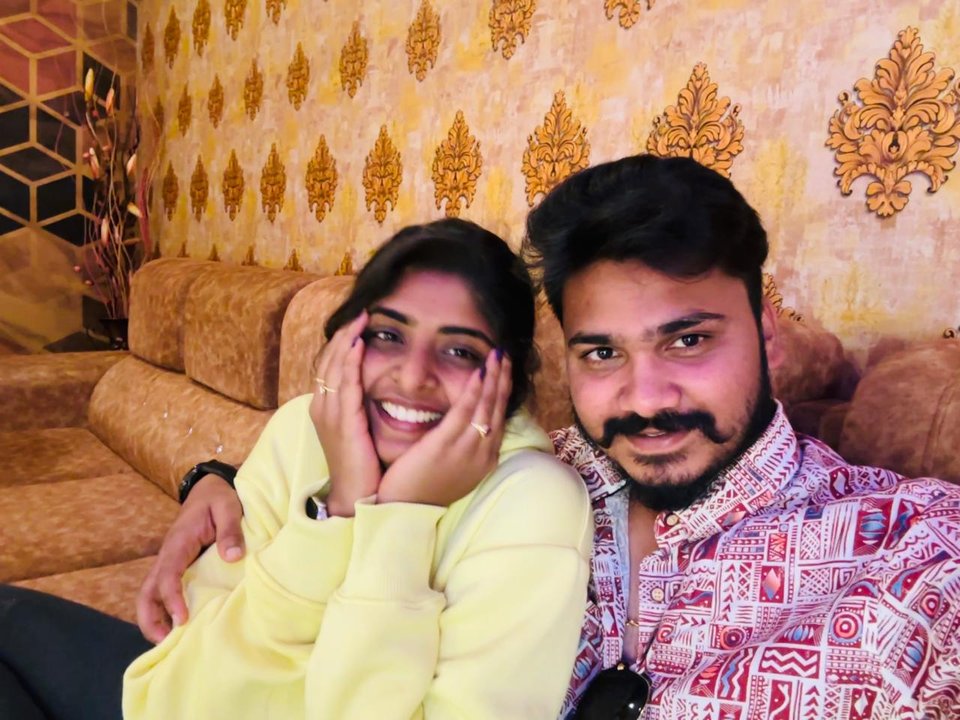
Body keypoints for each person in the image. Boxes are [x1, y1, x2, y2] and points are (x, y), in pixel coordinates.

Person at [151, 155, 960, 719]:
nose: (646, 398)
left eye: (688, 340)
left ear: (767, 333)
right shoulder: (502, 472)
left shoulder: (918, 557)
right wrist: (217, 480)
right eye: (602, 353)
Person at [0, 218, 593, 720]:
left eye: (459, 351)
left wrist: (400, 520)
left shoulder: (533, 503)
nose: (414, 377)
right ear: (344, 341)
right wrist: (338, 507)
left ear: (508, 376)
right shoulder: (301, 431)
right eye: (388, 335)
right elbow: (187, 685)